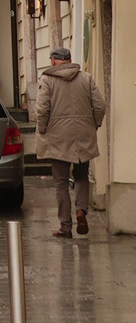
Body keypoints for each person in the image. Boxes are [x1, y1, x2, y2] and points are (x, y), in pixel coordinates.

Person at [36, 46, 107, 237]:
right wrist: (94, 125)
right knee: (82, 176)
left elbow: (42, 109)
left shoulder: (47, 80)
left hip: (58, 137)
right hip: (83, 134)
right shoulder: (86, 78)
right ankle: (81, 210)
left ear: (53, 61)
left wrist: (42, 129)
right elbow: (100, 106)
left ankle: (65, 227)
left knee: (60, 182)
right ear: (69, 60)